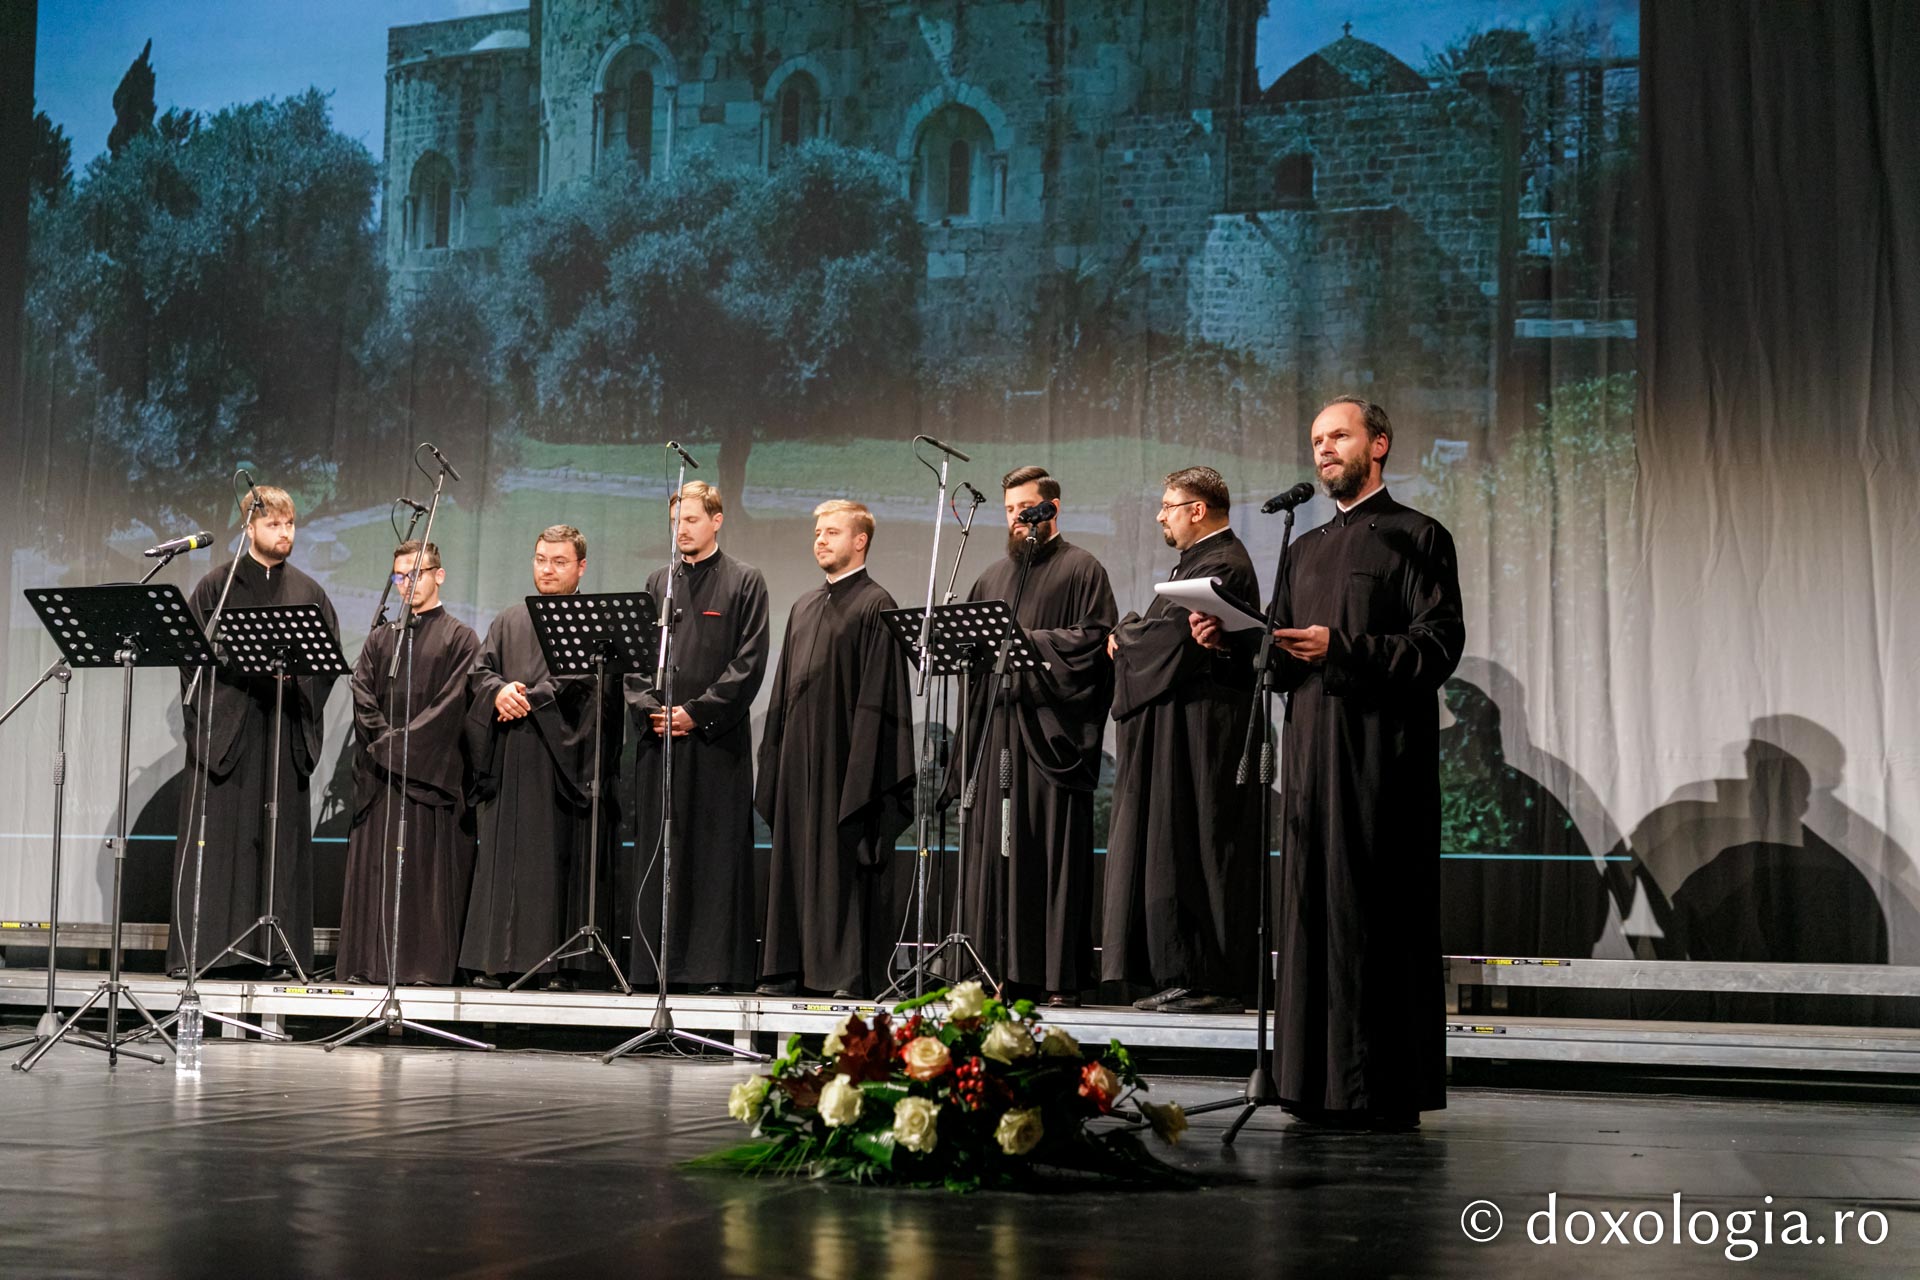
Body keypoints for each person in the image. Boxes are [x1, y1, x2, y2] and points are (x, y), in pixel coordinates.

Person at [1197, 396, 1464, 1128]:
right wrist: (1231, 645)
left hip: (1381, 767)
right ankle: (1309, 1084)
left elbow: (1436, 648)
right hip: (1312, 762)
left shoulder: (1417, 537)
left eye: (1337, 436)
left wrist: (1341, 648)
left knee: (1372, 920)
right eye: (1316, 439)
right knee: (1312, 921)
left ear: (1378, 444)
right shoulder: (1302, 549)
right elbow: (1279, 667)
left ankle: (1378, 1089)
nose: (1323, 449)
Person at [1101, 466, 1261, 1014]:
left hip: (1206, 733)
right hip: (1184, 727)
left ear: (1198, 509)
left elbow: (1172, 639)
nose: (1160, 515)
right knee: (1176, 845)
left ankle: (1206, 976)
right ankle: (1180, 973)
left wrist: (1124, 634)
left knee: (1200, 844)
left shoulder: (1224, 564)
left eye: (1168, 505)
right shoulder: (1196, 563)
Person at [955, 467, 1117, 1006]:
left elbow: (1095, 643)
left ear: (1052, 508)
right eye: (1009, 510)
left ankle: (1054, 977)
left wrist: (1030, 642)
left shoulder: (1082, 570)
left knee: (1044, 855)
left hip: (1050, 737)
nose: (1017, 518)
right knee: (994, 859)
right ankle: (994, 969)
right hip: (997, 728)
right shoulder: (992, 578)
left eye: (1026, 507)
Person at [170, 485, 340, 979]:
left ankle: (276, 952)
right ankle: (211, 951)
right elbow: (193, 664)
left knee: (277, 841)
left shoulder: (309, 593)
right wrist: (235, 684)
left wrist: (293, 680)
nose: (284, 533)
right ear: (249, 528)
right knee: (224, 841)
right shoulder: (215, 588)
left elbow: (324, 669)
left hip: (283, 730)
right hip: (232, 733)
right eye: (274, 525)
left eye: (290, 525)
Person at [755, 501, 915, 998]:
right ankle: (788, 968)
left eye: (832, 532)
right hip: (799, 760)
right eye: (817, 533)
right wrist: (775, 757)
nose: (820, 540)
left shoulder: (876, 603)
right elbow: (784, 689)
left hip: (846, 764)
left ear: (860, 540)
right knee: (794, 864)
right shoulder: (803, 605)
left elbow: (878, 698)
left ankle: (842, 973)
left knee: (839, 863)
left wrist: (861, 777)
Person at [626, 482, 769, 993]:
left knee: (713, 855)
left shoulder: (745, 582)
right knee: (662, 851)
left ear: (716, 520)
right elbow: (635, 662)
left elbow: (748, 665)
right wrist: (651, 708)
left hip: (715, 745)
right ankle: (655, 970)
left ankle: (711, 970)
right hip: (660, 742)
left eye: (690, 519)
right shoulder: (657, 582)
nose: (681, 529)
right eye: (675, 521)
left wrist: (695, 712)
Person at [460, 525, 616, 990]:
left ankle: (555, 966)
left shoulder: (594, 620)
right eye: (540, 559)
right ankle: (499, 961)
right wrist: (499, 691)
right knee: (504, 862)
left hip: (560, 763)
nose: (547, 570)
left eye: (559, 561)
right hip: (510, 757)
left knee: (553, 864)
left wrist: (528, 697)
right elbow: (480, 670)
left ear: (581, 567)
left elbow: (582, 681)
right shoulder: (510, 619)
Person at [336, 541, 481, 986]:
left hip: (429, 778)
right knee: (378, 874)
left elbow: (451, 707)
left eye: (416, 573)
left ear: (439, 575)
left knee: (423, 878)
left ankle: (422, 968)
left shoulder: (461, 638)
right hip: (382, 779)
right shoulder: (382, 639)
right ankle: (369, 965)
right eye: (399, 576)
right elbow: (363, 695)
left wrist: (404, 747)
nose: (406, 583)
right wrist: (385, 744)